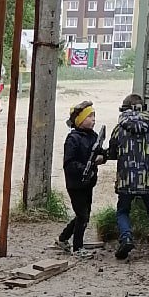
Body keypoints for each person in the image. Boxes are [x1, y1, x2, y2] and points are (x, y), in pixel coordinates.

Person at [105, 92, 149, 262]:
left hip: (126, 180)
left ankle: (126, 239)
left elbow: (112, 152)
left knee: (123, 211)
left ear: (124, 109)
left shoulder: (119, 129)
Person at [58, 100, 104, 254]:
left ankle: (63, 238)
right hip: (75, 183)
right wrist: (84, 168)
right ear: (79, 120)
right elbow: (69, 163)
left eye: (94, 116)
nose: (93, 119)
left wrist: (101, 158)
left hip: (88, 182)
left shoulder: (94, 136)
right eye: (89, 116)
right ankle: (78, 247)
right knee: (82, 215)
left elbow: (101, 153)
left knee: (83, 215)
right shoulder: (73, 139)